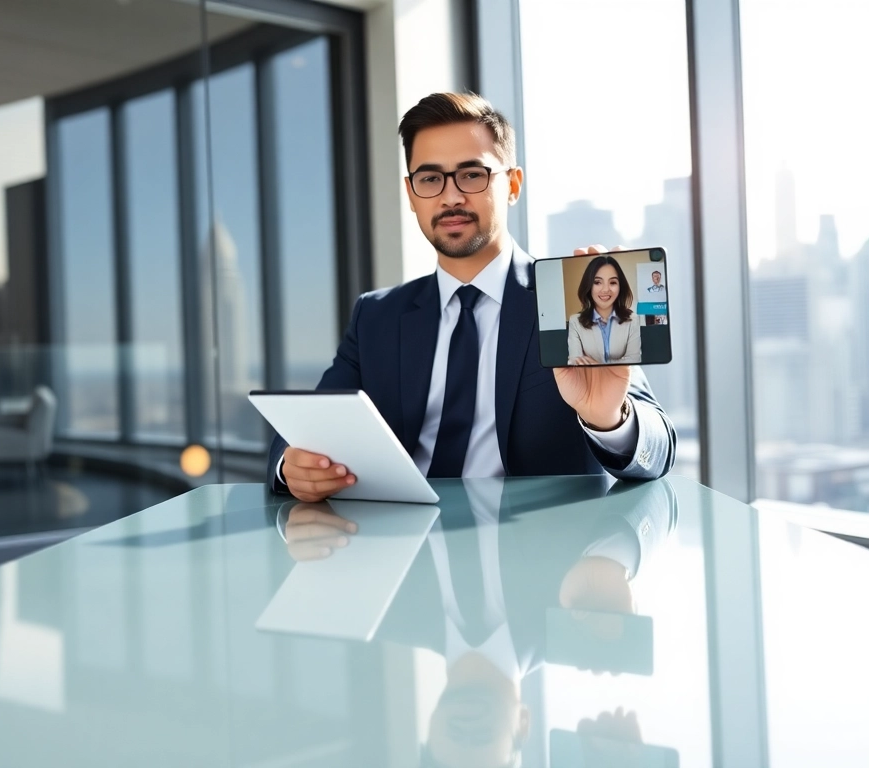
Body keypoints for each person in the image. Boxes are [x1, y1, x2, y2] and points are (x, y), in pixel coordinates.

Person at [268, 92, 675, 501]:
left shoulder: (570, 303)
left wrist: (607, 420)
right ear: (411, 195)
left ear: (512, 185)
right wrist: (292, 466)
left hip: (533, 552)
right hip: (401, 549)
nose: (450, 197)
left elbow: (657, 451)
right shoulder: (376, 316)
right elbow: (306, 428)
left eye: (472, 175)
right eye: (430, 179)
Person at [278, 477, 678, 768]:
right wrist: (611, 557)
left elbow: (314, 532)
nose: (468, 728)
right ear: (523, 726)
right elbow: (660, 494)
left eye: (456, 741)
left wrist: (293, 501)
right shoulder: (579, 615)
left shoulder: (381, 614)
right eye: (481, 739)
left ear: (430, 725)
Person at [566, 256, 642, 365]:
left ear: (620, 286)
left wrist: (595, 364)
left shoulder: (632, 319)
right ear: (589, 286)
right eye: (597, 282)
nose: (606, 289)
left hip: (624, 380)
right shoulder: (575, 322)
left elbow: (634, 360)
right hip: (589, 381)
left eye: (612, 282)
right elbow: (575, 363)